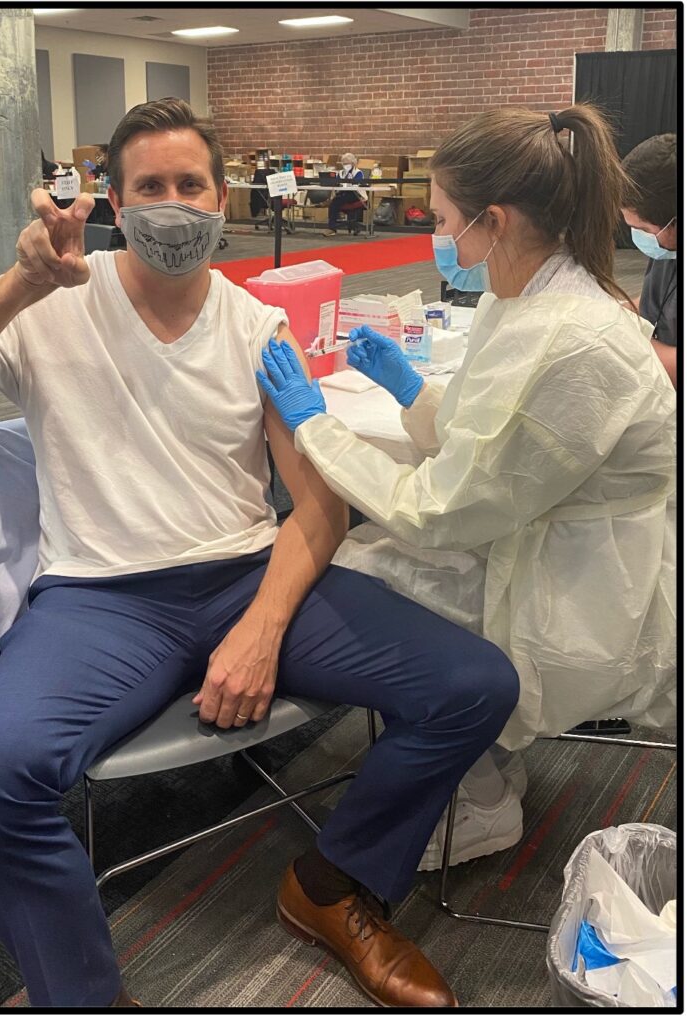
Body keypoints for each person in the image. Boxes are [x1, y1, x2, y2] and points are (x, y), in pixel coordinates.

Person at [0, 97, 519, 1009]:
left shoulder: (253, 322)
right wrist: (21, 284)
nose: (174, 203)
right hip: (100, 598)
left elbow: (317, 503)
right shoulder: (52, 308)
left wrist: (261, 625)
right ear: (115, 203)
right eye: (150, 186)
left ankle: (330, 887)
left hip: (248, 572)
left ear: (221, 195)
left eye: (190, 184)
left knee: (473, 684)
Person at [259, 103, 676, 870]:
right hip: (539, 538)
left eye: (443, 218)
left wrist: (316, 427)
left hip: (576, 586)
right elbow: (495, 443)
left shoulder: (567, 336)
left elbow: (443, 508)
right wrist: (412, 391)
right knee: (369, 556)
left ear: (493, 219)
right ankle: (479, 758)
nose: (437, 236)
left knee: (354, 573)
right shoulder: (521, 297)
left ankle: (478, 800)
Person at [621, 134, 677, 386]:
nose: (639, 236)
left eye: (642, 228)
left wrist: (618, 335)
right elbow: (654, 302)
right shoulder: (668, 248)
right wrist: (612, 309)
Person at [321, 152, 366, 236]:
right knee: (336, 201)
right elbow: (337, 183)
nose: (345, 165)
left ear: (353, 163)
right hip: (342, 193)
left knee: (334, 203)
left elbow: (356, 185)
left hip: (355, 195)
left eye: (347, 163)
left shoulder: (358, 173)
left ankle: (332, 228)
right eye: (343, 163)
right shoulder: (340, 173)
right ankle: (335, 226)